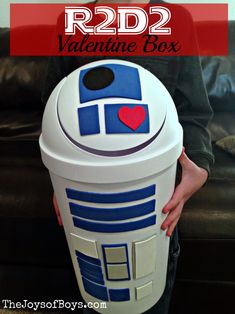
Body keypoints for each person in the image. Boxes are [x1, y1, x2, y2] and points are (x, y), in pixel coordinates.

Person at [41, 0, 214, 313]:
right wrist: (57, 181)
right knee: (98, 296)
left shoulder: (176, 21)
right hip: (84, 208)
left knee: (146, 295)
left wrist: (198, 168)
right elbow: (52, 113)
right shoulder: (73, 22)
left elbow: (194, 114)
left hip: (153, 206)